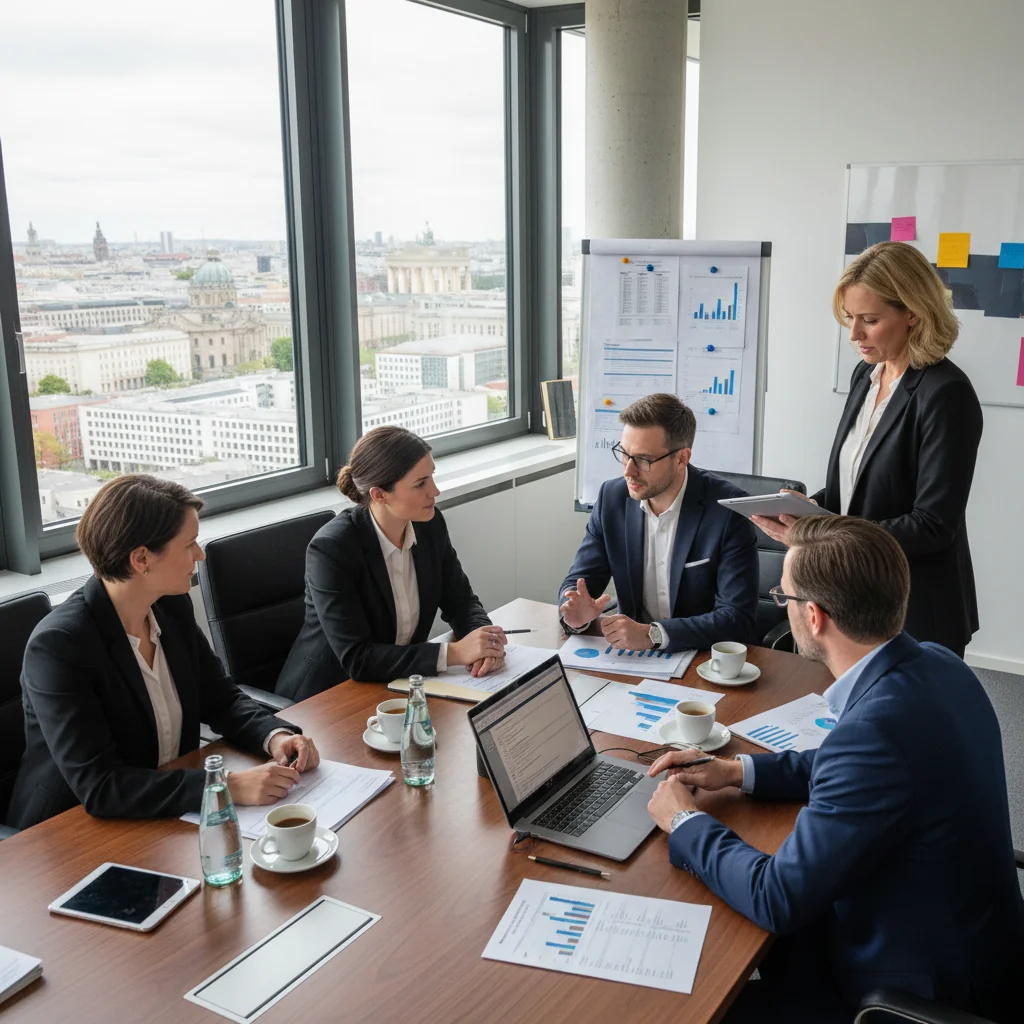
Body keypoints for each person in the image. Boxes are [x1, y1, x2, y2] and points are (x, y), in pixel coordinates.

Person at [646, 516, 1023, 1023]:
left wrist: (684, 821)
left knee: (697, 998)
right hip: (978, 943)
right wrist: (738, 772)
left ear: (816, 616)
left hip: (914, 991)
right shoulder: (938, 663)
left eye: (783, 599)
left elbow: (776, 896)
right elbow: (862, 767)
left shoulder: (874, 736)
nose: (782, 608)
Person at [9, 476, 318, 831]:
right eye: (189, 544)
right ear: (142, 558)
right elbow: (101, 786)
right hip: (68, 835)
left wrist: (276, 736)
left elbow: (221, 699)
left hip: (163, 813)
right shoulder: (60, 647)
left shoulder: (170, 607)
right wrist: (224, 786)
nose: (200, 554)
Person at [753, 241, 983, 656]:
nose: (854, 334)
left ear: (913, 313)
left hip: (915, 603)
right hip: (853, 595)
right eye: (850, 318)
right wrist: (809, 509)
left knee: (906, 718)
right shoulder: (867, 374)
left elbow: (933, 524)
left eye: (870, 320)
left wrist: (826, 533)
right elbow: (854, 489)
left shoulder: (946, 393)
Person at [276, 426, 505, 698]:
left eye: (432, 476)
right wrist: (454, 652)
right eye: (420, 483)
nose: (435, 491)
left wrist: (484, 641)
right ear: (379, 495)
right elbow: (358, 658)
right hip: (329, 696)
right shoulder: (332, 549)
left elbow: (461, 601)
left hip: (397, 684)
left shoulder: (429, 525)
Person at [558, 393, 759, 652]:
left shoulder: (728, 511)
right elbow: (579, 583)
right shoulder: (612, 498)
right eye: (624, 454)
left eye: (644, 460)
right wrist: (575, 618)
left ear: (681, 459)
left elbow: (737, 618)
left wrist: (653, 635)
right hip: (633, 658)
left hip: (705, 658)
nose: (629, 470)